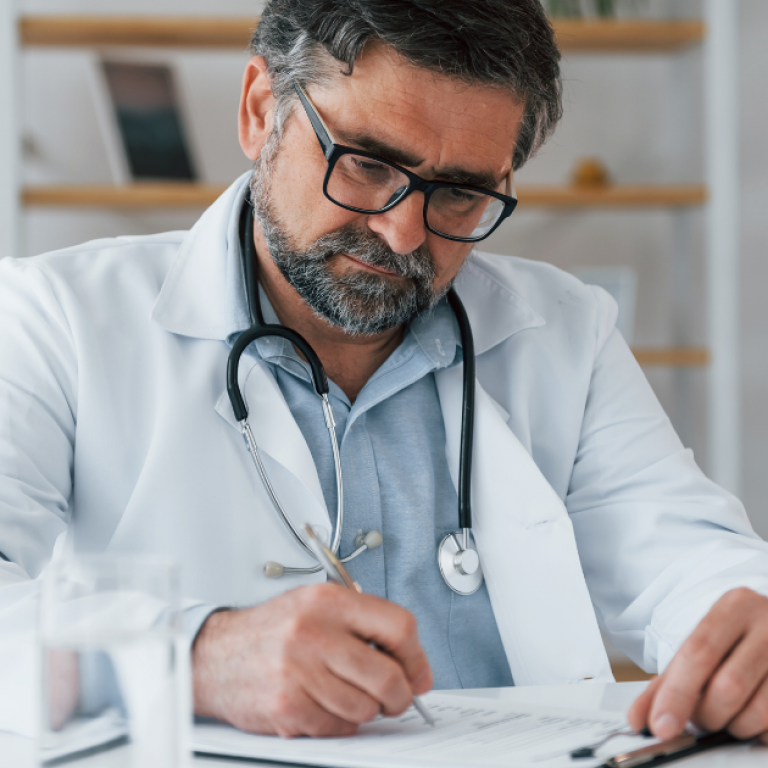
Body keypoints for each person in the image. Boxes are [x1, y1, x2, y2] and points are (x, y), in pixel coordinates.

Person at [1, 0, 768, 744]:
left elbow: (690, 564)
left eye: (461, 193)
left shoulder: (564, 334)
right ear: (261, 110)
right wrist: (192, 656)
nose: (402, 232)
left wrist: (746, 629)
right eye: (367, 164)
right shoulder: (53, 320)